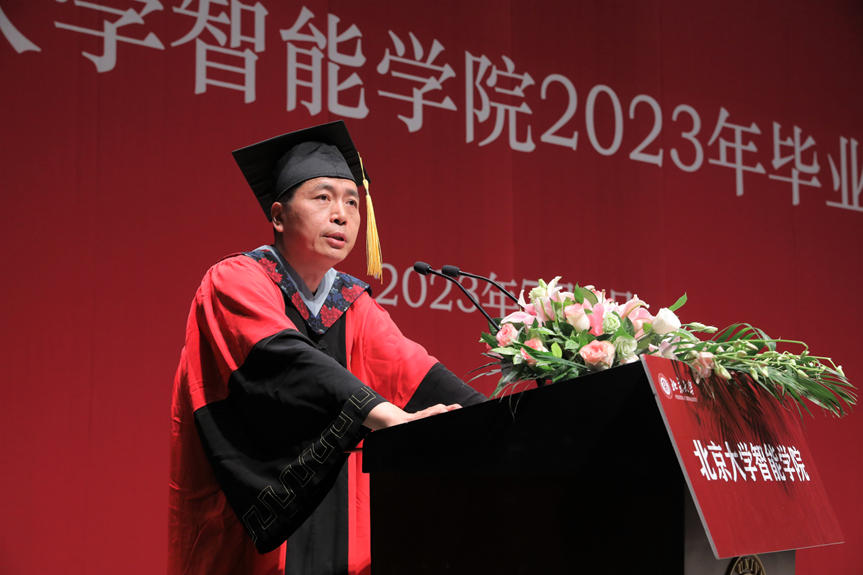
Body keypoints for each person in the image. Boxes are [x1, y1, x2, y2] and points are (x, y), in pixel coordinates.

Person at [168, 121, 486, 575]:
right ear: (278, 216)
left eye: (352, 202)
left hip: (337, 542)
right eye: (323, 198)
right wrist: (390, 418)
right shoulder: (234, 280)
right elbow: (285, 358)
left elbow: (415, 373)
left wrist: (499, 425)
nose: (342, 215)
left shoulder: (352, 305)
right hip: (248, 530)